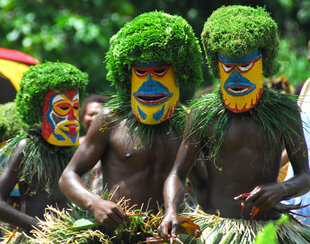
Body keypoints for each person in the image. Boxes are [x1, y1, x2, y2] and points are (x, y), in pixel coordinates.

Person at [158, 5, 310, 243]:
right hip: (215, 229)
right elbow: (178, 173)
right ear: (217, 66)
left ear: (262, 63)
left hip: (269, 230)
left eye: (245, 67)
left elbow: (304, 177)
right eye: (228, 68)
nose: (236, 77)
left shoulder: (285, 110)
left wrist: (281, 189)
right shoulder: (202, 112)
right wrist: (171, 210)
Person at [59, 11, 208, 229]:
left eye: (159, 72)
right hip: (114, 232)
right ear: (129, 75)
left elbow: (203, 184)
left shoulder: (185, 125)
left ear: (177, 74)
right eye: (141, 72)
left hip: (164, 233)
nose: (149, 82)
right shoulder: (111, 119)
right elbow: (68, 176)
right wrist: (95, 204)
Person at [0, 62, 88, 235]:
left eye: (75, 108)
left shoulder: (75, 150)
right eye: (63, 108)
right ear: (41, 110)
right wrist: (38, 226)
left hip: (70, 236)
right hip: (35, 238)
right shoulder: (26, 147)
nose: (71, 118)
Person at [79, 94, 109, 194]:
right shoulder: (73, 146)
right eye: (91, 114)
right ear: (82, 117)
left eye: (100, 114)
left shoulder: (114, 147)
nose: (95, 118)